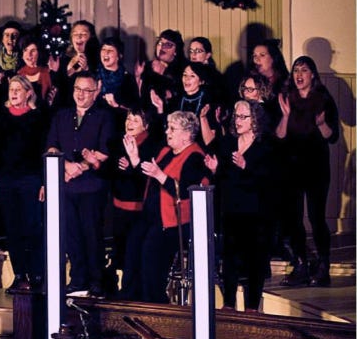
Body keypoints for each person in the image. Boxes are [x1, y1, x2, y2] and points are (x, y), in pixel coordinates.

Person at [120, 111, 209, 303]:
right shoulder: (166, 151)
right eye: (168, 128)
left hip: (171, 224)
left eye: (172, 129)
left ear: (186, 134)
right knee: (132, 254)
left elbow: (184, 191)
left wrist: (159, 175)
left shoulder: (195, 156)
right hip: (150, 216)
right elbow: (148, 178)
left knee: (151, 265)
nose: (167, 132)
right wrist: (135, 159)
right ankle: (129, 304)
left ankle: (154, 307)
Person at [46, 72, 117, 297]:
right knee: (71, 235)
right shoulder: (62, 116)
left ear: (96, 92)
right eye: (78, 89)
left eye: (87, 90)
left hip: (92, 186)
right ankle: (77, 279)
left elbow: (105, 151)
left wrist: (82, 167)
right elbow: (51, 146)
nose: (81, 94)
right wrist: (66, 166)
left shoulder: (105, 117)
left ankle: (96, 280)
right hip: (67, 185)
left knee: (91, 234)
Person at [275, 56, 339, 287]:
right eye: (296, 70)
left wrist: (321, 124)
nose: (299, 75)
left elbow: (332, 137)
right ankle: (301, 264)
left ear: (313, 74)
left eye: (304, 70)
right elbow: (279, 136)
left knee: (316, 217)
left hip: (315, 166)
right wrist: (285, 116)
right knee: (293, 218)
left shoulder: (323, 98)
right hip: (291, 166)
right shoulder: (286, 97)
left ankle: (323, 266)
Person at [204, 100, 273, 312]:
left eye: (244, 117)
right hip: (231, 210)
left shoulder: (265, 145)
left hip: (257, 213)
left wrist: (246, 166)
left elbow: (270, 180)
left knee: (255, 259)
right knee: (230, 258)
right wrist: (215, 170)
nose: (238, 120)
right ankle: (228, 303)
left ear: (255, 120)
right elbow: (224, 177)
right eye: (237, 116)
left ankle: (252, 306)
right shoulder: (227, 143)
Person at [0, 76, 48, 292]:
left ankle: (37, 275)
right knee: (13, 229)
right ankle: (19, 275)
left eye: (18, 89)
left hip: (31, 179)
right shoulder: (0, 117)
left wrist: (44, 182)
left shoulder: (38, 118)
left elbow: (44, 150)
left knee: (33, 228)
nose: (13, 93)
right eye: (11, 89)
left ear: (28, 93)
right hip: (5, 180)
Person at [109, 109, 161, 295]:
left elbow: (146, 179)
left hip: (139, 210)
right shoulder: (118, 142)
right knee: (120, 252)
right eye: (128, 119)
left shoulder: (152, 145)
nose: (129, 123)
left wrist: (133, 163)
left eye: (135, 120)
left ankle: (132, 293)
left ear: (145, 125)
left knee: (134, 253)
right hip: (119, 207)